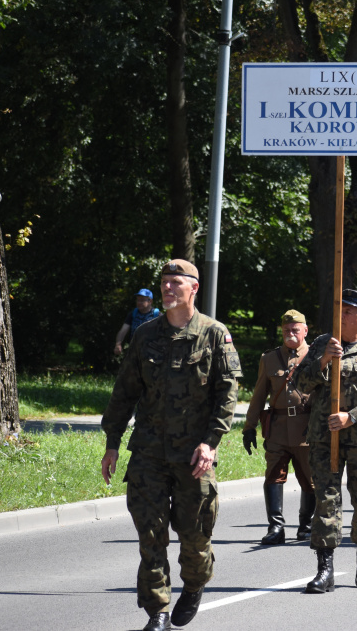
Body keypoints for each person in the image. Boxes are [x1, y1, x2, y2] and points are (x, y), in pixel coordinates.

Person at [101, 259, 242, 631]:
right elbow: (124, 392)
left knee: (194, 537)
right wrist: (112, 442)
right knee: (150, 534)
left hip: (194, 455)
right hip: (148, 451)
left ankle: (194, 585)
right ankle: (158, 610)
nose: (167, 288)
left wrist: (211, 442)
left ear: (193, 288)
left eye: (175, 282)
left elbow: (227, 395)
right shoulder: (146, 335)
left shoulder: (214, 334)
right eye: (163, 282)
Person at [294, 289, 357, 593]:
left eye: (348, 312)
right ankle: (325, 569)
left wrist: (352, 417)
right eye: (339, 311)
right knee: (326, 500)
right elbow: (300, 383)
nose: (340, 317)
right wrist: (324, 360)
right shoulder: (321, 344)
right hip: (325, 437)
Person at [241, 309, 314, 545]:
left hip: (308, 429)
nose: (290, 333)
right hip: (278, 429)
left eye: (295, 329)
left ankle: (306, 525)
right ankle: (276, 527)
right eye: (286, 330)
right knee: (273, 476)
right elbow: (259, 395)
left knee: (311, 480)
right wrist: (249, 426)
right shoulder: (269, 359)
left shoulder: (317, 356)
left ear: (305, 330)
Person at [114, 288, 161, 355]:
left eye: (142, 300)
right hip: (134, 352)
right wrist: (118, 344)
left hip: (151, 354)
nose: (139, 302)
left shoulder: (157, 315)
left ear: (150, 301)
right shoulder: (133, 314)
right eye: (138, 300)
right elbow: (123, 330)